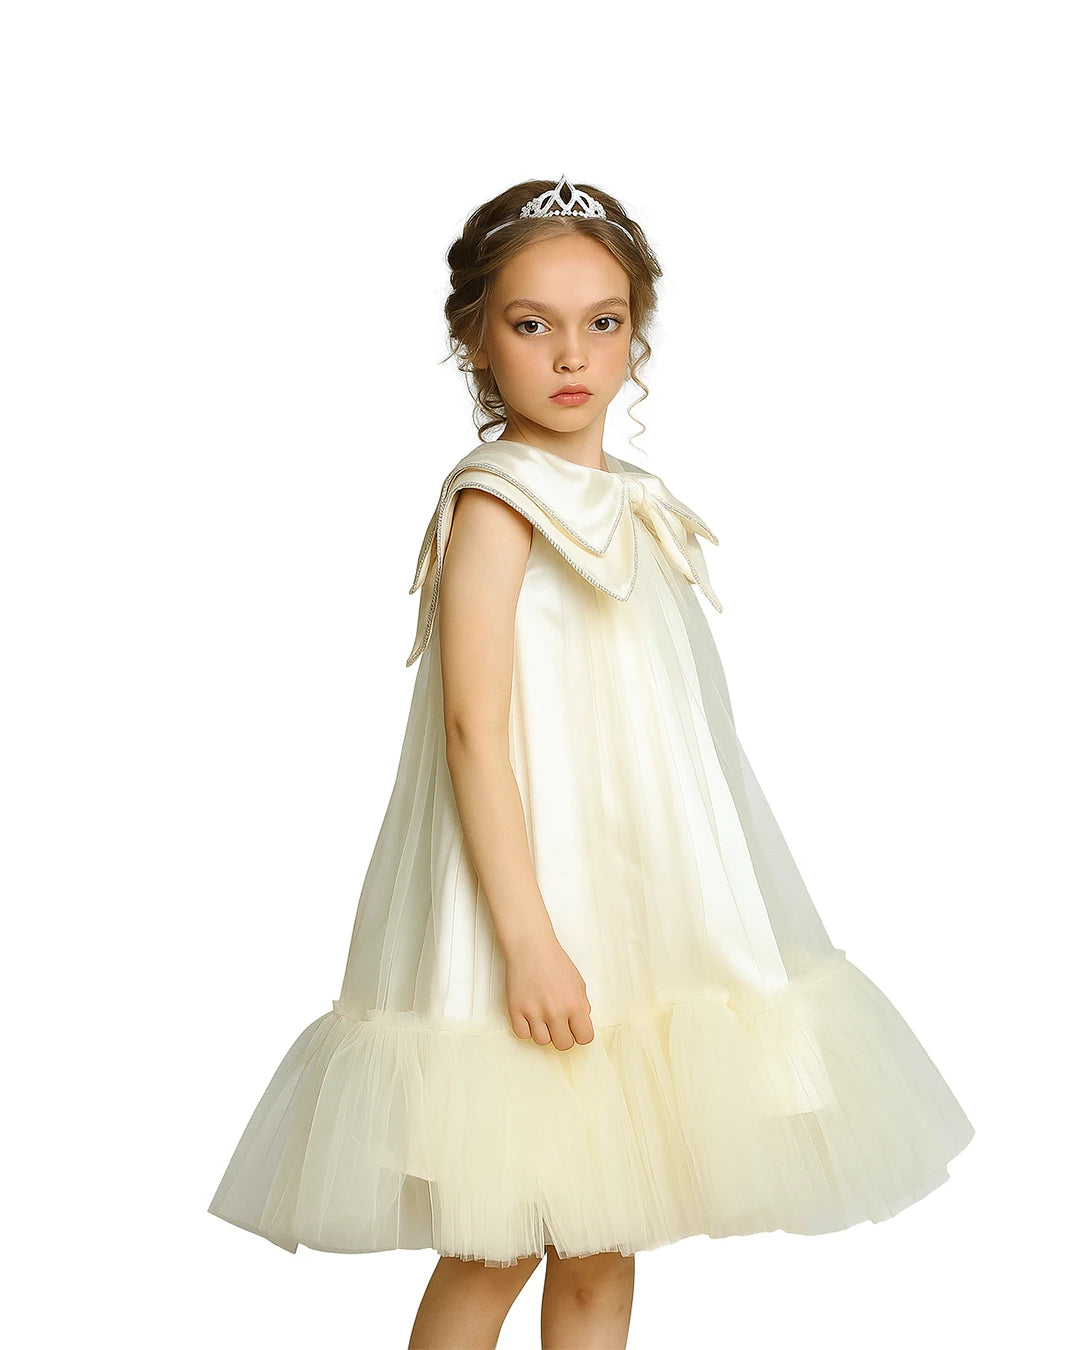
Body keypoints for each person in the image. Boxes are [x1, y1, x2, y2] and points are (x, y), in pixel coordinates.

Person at [207, 175, 975, 1350]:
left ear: (635, 332)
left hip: (632, 916)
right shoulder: (497, 503)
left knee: (606, 1238)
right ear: (476, 339)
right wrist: (528, 941)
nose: (572, 355)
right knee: (499, 1238)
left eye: (603, 322)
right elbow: (474, 730)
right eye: (533, 325)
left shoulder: (632, 499)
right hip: (531, 913)